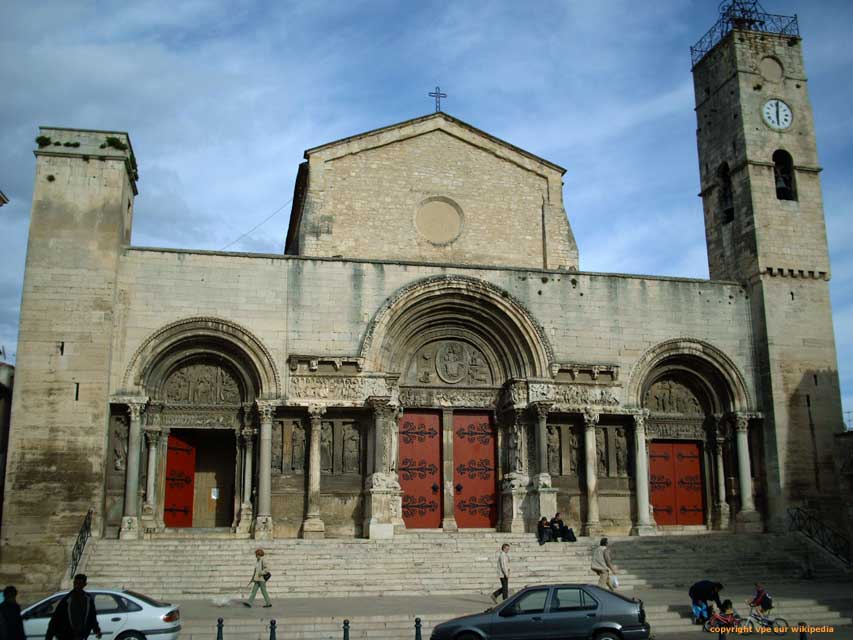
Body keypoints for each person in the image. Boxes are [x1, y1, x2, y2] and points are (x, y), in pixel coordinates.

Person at [45, 574, 102, 640]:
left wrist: (97, 630)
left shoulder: (88, 600)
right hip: (67, 635)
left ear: (84, 584)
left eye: (80, 584)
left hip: (81, 635)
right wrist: (49, 637)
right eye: (75, 583)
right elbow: (55, 619)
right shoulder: (67, 600)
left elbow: (92, 616)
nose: (77, 586)